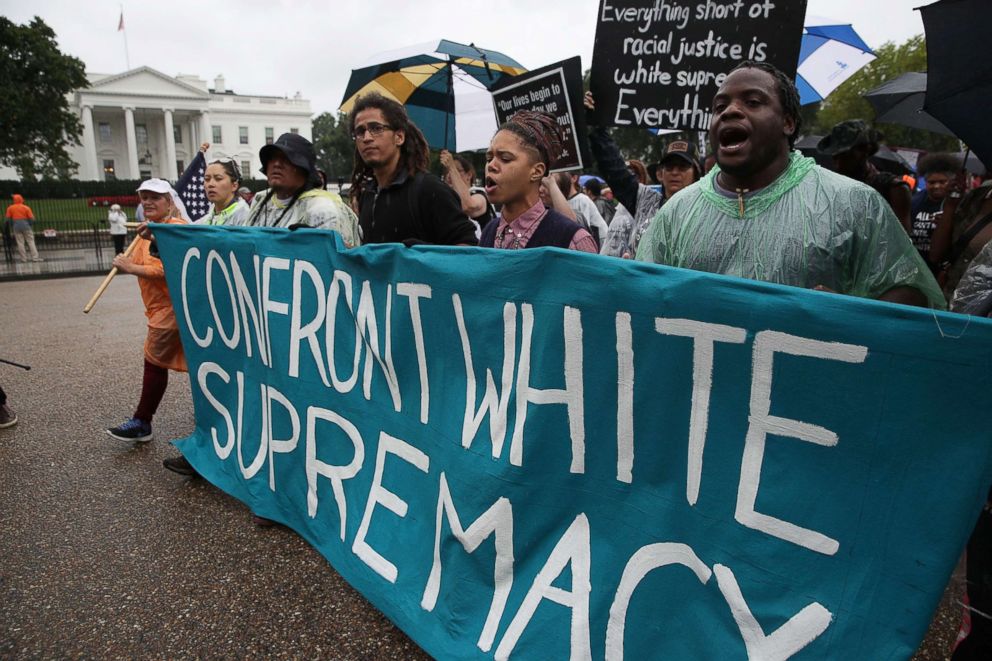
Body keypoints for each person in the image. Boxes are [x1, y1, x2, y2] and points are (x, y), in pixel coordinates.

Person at [635, 61, 944, 309]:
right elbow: (641, 307)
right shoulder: (676, 212)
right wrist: (628, 284)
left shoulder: (854, 203)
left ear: (788, 122)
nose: (729, 111)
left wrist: (854, 316)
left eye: (753, 101)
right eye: (719, 107)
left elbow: (912, 297)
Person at [106, 179, 189, 442]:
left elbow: (169, 269)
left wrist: (131, 268)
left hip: (173, 309)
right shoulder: (147, 230)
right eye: (144, 197)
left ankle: (142, 421)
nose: (148, 202)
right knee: (190, 364)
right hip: (158, 309)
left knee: (153, 361)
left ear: (169, 202)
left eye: (155, 197)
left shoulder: (176, 230)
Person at [349, 92, 477, 246]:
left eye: (376, 128)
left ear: (399, 137)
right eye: (360, 131)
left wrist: (417, 257)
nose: (367, 137)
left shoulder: (429, 189)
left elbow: (466, 248)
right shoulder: (368, 195)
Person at [584, 92, 701, 258]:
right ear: (660, 174)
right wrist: (597, 127)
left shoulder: (705, 210)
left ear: (696, 174)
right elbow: (614, 169)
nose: (675, 172)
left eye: (682, 167)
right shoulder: (645, 201)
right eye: (669, 167)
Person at [479, 110, 598, 253]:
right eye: (489, 158)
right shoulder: (489, 232)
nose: (491, 165)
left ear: (536, 172)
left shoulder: (573, 241)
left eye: (505, 158)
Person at [244, 133, 360, 246]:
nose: (277, 163)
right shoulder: (260, 200)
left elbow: (337, 259)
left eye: (286, 158)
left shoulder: (323, 209)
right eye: (272, 158)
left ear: (303, 170)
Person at [817, 119, 913, 231]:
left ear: (865, 150)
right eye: (835, 155)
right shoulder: (829, 188)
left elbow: (901, 242)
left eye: (845, 154)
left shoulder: (894, 189)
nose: (838, 162)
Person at [930, 177, 992, 300]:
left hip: (983, 308)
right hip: (950, 296)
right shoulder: (977, 196)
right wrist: (950, 205)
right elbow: (935, 255)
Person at [910, 153, 959, 268]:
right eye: (931, 182)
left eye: (942, 182)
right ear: (925, 183)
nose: (936, 186)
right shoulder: (914, 202)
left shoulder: (958, 205)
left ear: (951, 182)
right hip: (916, 264)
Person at [440, 149, 495, 236]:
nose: (449, 174)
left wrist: (451, 167)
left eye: (457, 170)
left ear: (469, 175)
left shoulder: (479, 193)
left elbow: (468, 206)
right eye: (447, 171)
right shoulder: (447, 198)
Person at [553, 172, 608, 246]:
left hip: (600, 241)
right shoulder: (565, 201)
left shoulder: (582, 199)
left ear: (574, 178)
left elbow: (583, 227)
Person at [197, 157, 251, 226]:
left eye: (218, 179)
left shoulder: (244, 216)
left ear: (234, 186)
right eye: (207, 179)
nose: (210, 184)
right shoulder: (209, 216)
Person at [5, 194, 41, 262]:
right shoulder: (26, 208)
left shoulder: (10, 208)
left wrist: (12, 224)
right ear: (21, 200)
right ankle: (35, 257)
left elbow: (7, 219)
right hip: (26, 226)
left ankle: (23, 259)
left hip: (16, 227)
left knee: (20, 243)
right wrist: (30, 225)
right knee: (31, 241)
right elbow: (32, 219)